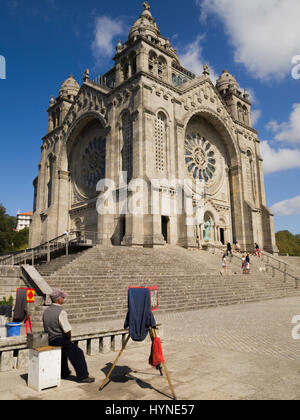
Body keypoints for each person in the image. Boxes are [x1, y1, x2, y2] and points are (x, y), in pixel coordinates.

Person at [43, 289, 95, 383]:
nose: (64, 299)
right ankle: (83, 376)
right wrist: (69, 338)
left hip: (49, 338)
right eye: (63, 297)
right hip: (58, 338)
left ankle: (64, 372)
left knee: (64, 352)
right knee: (78, 353)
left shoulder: (46, 311)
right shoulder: (61, 312)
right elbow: (67, 329)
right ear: (59, 299)